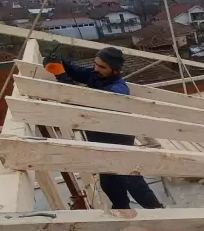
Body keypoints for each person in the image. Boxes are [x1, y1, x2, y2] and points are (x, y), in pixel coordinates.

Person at [44, 47, 164, 210]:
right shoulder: (97, 75)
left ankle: (156, 211)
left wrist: (63, 78)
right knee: (108, 182)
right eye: (95, 64)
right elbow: (76, 71)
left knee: (132, 180)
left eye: (102, 66)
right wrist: (59, 63)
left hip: (118, 141)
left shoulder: (118, 90)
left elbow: (90, 104)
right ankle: (122, 209)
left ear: (114, 70)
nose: (96, 68)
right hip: (100, 139)